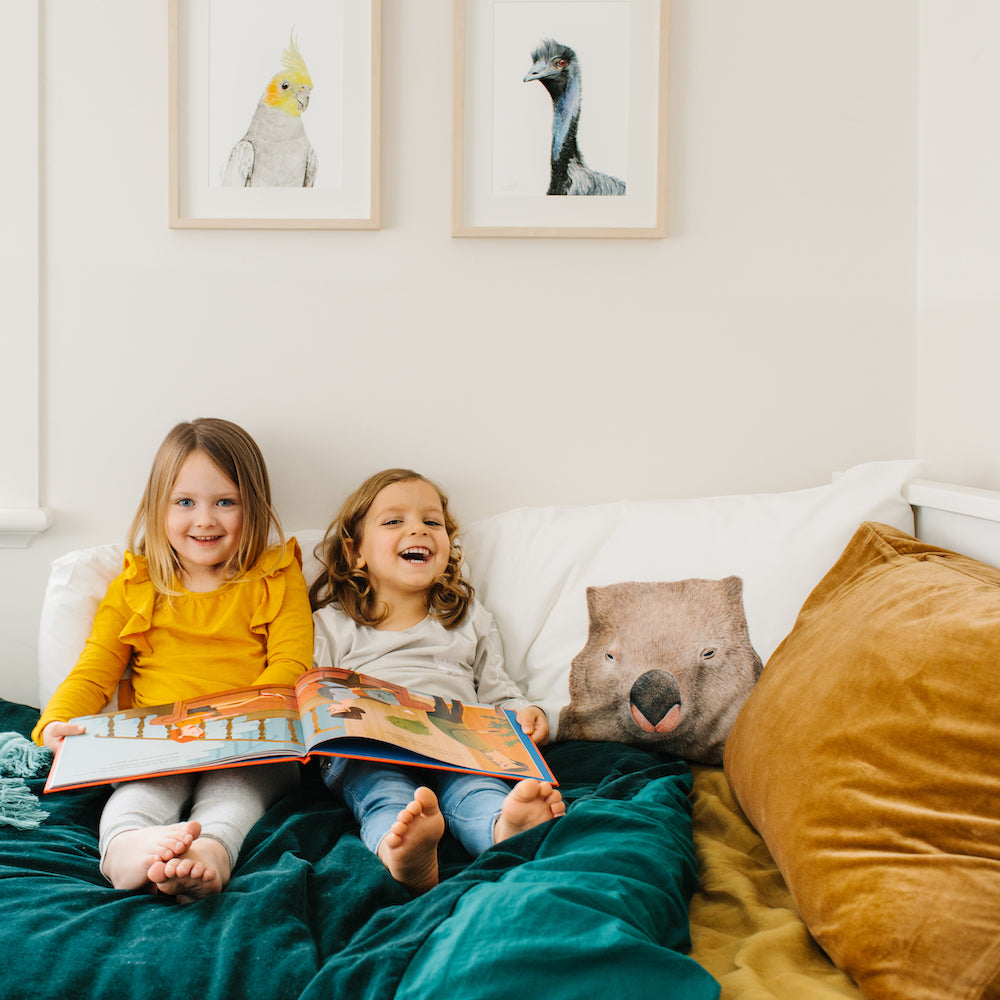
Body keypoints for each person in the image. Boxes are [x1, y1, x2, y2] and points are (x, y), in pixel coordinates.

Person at [33, 418, 313, 903]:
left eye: (225, 502)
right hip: (160, 744)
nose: (204, 520)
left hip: (250, 740)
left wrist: (236, 722)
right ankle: (126, 849)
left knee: (237, 795)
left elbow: (291, 665)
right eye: (185, 502)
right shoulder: (135, 586)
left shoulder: (275, 575)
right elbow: (94, 672)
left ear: (254, 506)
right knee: (137, 796)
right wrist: (56, 720)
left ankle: (211, 852)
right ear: (157, 507)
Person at [310, 468, 565, 894]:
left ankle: (503, 829)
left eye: (432, 522)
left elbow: (497, 690)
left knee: (476, 787)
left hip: (458, 742)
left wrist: (526, 712)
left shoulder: (467, 617)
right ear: (356, 552)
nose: (418, 530)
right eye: (394, 521)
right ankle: (400, 851)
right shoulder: (333, 624)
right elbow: (312, 700)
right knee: (386, 797)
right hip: (370, 748)